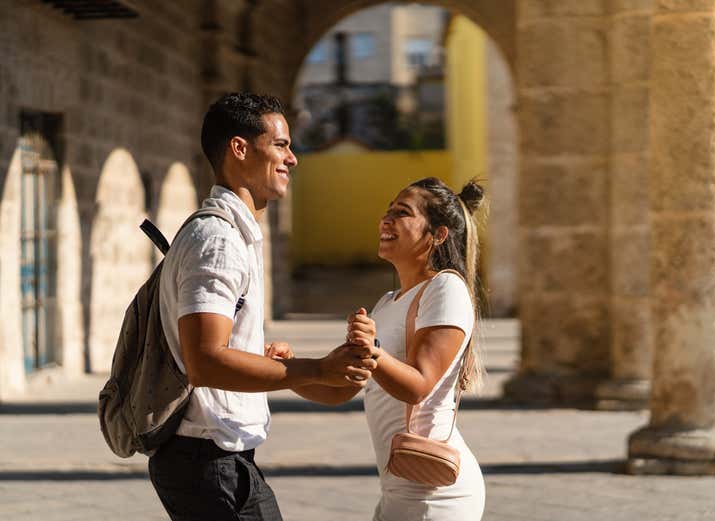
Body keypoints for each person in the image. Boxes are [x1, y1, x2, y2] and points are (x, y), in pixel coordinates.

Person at [150, 92, 379, 521]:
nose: (293, 158)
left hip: (215, 460)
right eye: (281, 144)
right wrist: (318, 369)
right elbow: (205, 362)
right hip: (207, 459)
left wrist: (267, 361)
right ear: (240, 148)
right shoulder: (217, 242)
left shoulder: (230, 235)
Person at [336, 177, 487, 520]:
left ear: (438, 234)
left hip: (435, 496)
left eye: (401, 212)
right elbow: (342, 390)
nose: (386, 219)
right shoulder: (388, 302)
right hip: (398, 490)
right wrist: (286, 368)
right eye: (388, 210)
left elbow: (418, 385)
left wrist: (372, 352)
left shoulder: (445, 288)